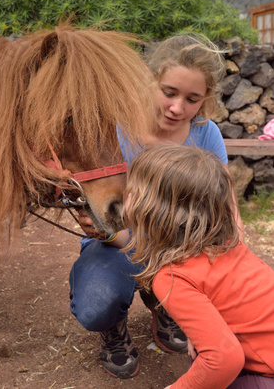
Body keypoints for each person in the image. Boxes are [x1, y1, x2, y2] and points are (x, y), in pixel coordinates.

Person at [69, 34, 244, 379]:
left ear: (205, 99)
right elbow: (101, 221)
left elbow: (227, 210)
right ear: (149, 82)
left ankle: (166, 308)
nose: (177, 107)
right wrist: (132, 244)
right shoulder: (114, 130)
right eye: (168, 92)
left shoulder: (205, 133)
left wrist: (232, 253)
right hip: (120, 244)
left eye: (192, 99)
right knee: (96, 305)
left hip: (182, 246)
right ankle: (115, 325)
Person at [124, 143, 274, 388]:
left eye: (131, 190)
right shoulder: (228, 244)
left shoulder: (173, 276)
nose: (124, 195)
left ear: (152, 209)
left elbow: (223, 360)